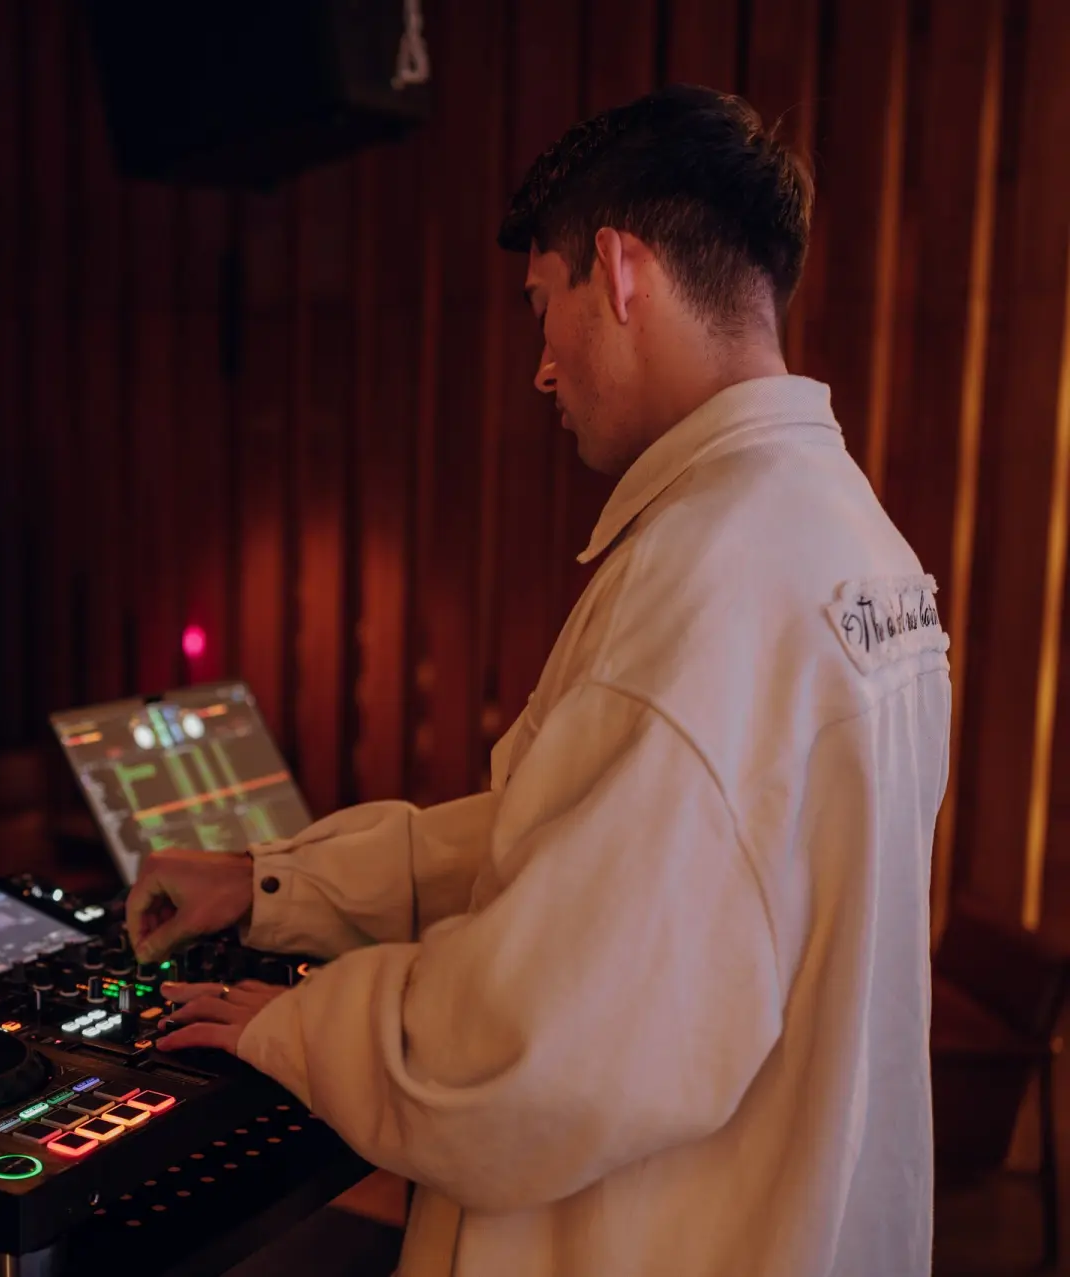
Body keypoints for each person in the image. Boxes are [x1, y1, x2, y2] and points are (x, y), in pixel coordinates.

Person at [125, 85, 950, 1277]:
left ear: (618, 271)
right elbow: (592, 841)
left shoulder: (707, 578)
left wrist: (303, 1025)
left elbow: (539, 1044)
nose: (542, 369)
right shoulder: (859, 541)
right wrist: (274, 886)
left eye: (541, 307)